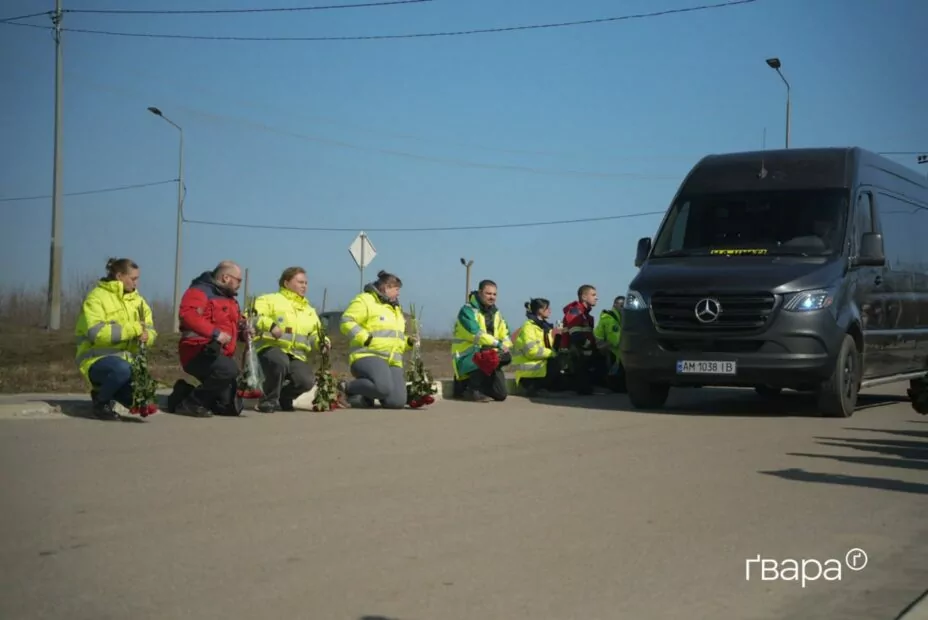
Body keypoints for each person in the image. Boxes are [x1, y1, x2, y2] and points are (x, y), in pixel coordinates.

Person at [74, 258, 157, 421]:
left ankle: (109, 391)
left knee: (143, 403)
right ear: (119, 276)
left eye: (137, 279)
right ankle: (100, 403)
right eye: (133, 278)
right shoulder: (97, 297)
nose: (136, 283)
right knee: (121, 369)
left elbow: (151, 329)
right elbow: (97, 333)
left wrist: (148, 336)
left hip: (128, 364)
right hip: (96, 360)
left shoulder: (139, 302)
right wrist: (134, 329)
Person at [167, 261, 250, 418]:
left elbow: (234, 326)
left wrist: (243, 333)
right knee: (228, 370)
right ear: (226, 278)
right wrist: (215, 333)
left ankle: (183, 394)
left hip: (218, 354)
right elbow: (188, 316)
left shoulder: (230, 300)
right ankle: (192, 403)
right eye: (238, 280)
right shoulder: (199, 291)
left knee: (229, 406)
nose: (239, 284)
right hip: (197, 351)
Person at [252, 266, 334, 413]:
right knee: (279, 362)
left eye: (306, 283)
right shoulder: (269, 299)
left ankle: (285, 396)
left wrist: (323, 342)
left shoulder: (309, 310)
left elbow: (315, 333)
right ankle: (267, 401)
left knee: (306, 381)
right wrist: (270, 326)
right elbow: (253, 316)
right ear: (286, 283)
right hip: (270, 348)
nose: (304, 286)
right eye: (300, 282)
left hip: (296, 354)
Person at [338, 270, 415, 409]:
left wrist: (408, 342)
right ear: (386, 288)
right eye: (396, 289)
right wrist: (365, 338)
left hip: (392, 360)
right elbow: (346, 321)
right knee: (383, 387)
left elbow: (394, 338)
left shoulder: (396, 309)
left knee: (397, 402)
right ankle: (346, 387)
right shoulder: (365, 300)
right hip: (368, 354)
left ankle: (366, 395)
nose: (398, 294)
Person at [451, 279, 513, 402]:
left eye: (494, 294)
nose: (492, 297)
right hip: (468, 356)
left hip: (490, 355)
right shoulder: (467, 311)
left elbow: (505, 334)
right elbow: (476, 334)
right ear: (479, 293)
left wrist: (505, 346)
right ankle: (469, 388)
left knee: (501, 394)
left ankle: (482, 386)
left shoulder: (496, 313)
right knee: (487, 355)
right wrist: (498, 344)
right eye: (488, 293)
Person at [558, 284, 606, 395]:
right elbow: (576, 336)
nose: (596, 298)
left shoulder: (584, 314)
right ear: (584, 297)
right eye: (593, 295)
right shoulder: (575, 312)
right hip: (577, 354)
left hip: (583, 353)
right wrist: (591, 347)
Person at [512, 298, 565, 396]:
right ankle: (533, 387)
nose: (550, 310)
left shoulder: (544, 327)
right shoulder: (529, 327)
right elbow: (531, 351)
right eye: (547, 308)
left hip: (539, 368)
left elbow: (549, 348)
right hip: (528, 372)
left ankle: (542, 387)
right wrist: (552, 353)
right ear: (539, 310)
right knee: (555, 362)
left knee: (567, 380)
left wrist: (558, 338)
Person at [594, 295, 626, 392]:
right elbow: (615, 340)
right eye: (621, 305)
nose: (623, 308)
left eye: (625, 306)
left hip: (612, 351)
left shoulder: (617, 318)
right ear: (615, 305)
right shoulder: (610, 319)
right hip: (611, 352)